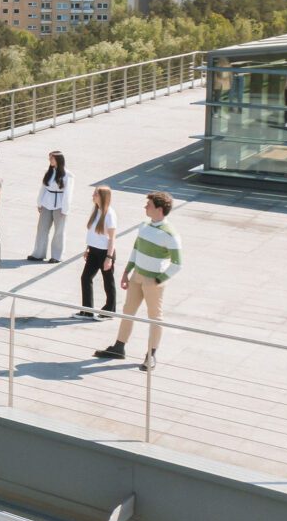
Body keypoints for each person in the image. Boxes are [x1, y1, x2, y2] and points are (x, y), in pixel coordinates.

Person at [93, 191, 182, 371]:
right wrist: (127, 272)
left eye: (148, 205)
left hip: (153, 280)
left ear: (159, 209)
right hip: (137, 276)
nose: (145, 207)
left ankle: (151, 355)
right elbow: (135, 250)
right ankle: (119, 347)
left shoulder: (170, 234)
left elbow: (177, 263)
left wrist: (159, 279)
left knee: (155, 317)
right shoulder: (144, 226)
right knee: (128, 311)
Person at [76, 186, 117, 320]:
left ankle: (109, 311)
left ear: (103, 197)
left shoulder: (110, 214)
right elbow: (93, 233)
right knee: (86, 278)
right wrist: (88, 248)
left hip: (105, 253)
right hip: (93, 251)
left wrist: (109, 257)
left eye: (95, 194)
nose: (93, 196)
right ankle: (87, 310)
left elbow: (112, 238)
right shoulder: (96, 211)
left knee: (108, 282)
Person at [30, 150, 72, 263]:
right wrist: (39, 203)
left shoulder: (67, 175)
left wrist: (65, 209)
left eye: (51, 158)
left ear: (58, 159)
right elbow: (43, 188)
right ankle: (38, 254)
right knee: (42, 229)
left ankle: (57, 256)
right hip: (47, 203)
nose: (49, 160)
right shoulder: (48, 172)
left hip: (60, 205)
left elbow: (68, 193)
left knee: (59, 231)